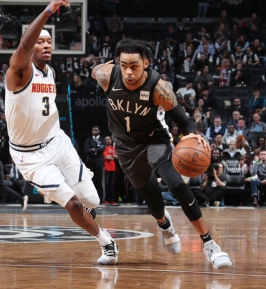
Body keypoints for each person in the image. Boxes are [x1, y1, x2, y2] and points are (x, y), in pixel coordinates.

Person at [92, 38, 232, 269]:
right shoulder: (107, 76)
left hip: (153, 140)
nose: (128, 71)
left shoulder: (159, 88)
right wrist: (100, 67)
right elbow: (96, 70)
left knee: (176, 184)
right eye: (124, 65)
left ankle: (210, 245)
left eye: (134, 66)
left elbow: (184, 122)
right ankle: (164, 225)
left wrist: (191, 136)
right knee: (152, 199)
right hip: (125, 147)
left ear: (146, 62)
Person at [4, 0, 118, 266]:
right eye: (39, 41)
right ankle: (107, 243)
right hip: (30, 157)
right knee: (73, 205)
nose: (46, 45)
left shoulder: (51, 71)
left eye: (48, 41)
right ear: (29, 46)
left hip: (57, 142)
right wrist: (47, 11)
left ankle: (72, 203)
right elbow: (22, 46)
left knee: (93, 200)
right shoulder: (18, 73)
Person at [84, 126, 106, 202]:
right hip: (90, 163)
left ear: (99, 131)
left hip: (99, 163)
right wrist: (97, 150)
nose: (95, 131)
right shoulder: (88, 140)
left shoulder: (102, 139)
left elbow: (102, 149)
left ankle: (101, 198)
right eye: (93, 130)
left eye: (96, 130)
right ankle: (91, 199)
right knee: (91, 182)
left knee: (100, 182)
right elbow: (86, 150)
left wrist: (93, 150)